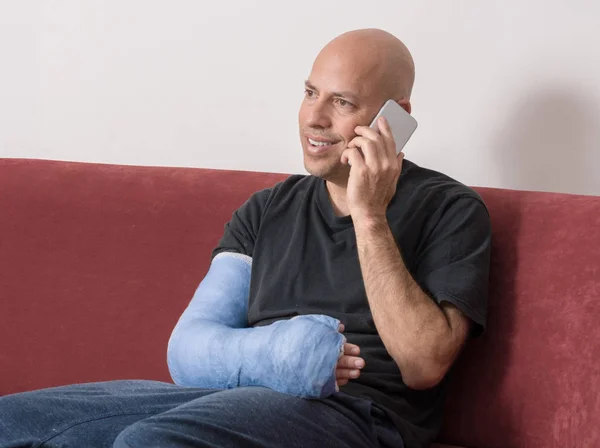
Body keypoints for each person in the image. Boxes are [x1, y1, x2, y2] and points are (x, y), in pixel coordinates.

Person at [0, 28, 491, 448]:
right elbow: (191, 347)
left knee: (150, 443)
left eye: (341, 101)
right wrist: (277, 356)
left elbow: (424, 365)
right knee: (12, 423)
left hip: (360, 415)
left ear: (394, 116)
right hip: (235, 399)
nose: (314, 118)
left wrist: (369, 216)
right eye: (309, 92)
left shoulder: (449, 208)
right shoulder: (265, 210)